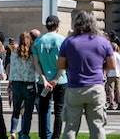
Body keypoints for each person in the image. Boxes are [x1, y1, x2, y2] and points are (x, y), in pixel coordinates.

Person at [58, 11, 115, 139]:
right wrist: (100, 67)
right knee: (97, 127)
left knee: (71, 127)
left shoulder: (69, 41)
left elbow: (60, 65)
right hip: (96, 87)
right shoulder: (103, 42)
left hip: (74, 87)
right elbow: (112, 65)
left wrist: (72, 66)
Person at [33, 15, 67, 139]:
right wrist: (56, 79)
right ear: (57, 25)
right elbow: (64, 63)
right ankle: (56, 136)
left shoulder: (38, 41)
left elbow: (36, 63)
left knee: (43, 111)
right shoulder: (62, 40)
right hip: (61, 80)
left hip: (44, 82)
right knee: (59, 111)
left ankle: (43, 136)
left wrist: (44, 79)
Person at [7, 32, 36, 139]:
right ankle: (24, 133)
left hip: (16, 84)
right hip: (29, 84)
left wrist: (10, 83)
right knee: (27, 112)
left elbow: (12, 70)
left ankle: (13, 132)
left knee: (16, 110)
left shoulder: (14, 55)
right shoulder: (32, 55)